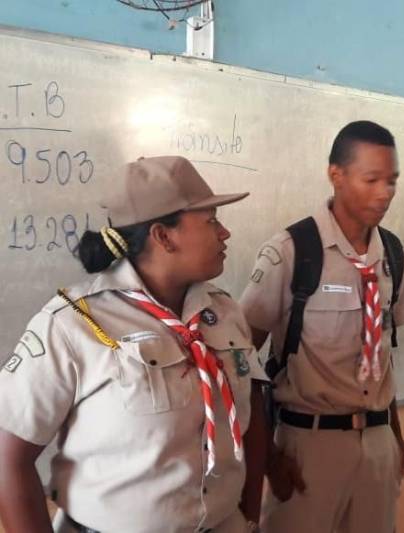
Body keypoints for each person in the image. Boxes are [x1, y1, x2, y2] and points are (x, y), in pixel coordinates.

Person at [0, 156, 267, 533]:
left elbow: (250, 414)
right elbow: (8, 459)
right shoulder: (73, 323)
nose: (224, 233)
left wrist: (250, 515)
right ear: (163, 235)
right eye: (210, 221)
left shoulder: (222, 312)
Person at [239, 120, 404, 533]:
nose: (385, 192)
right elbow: (241, 364)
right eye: (372, 179)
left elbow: (381, 356)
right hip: (307, 445)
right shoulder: (291, 252)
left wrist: (396, 438)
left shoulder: (392, 253)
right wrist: (265, 458)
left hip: (377, 443)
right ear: (336, 175)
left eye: (392, 181)